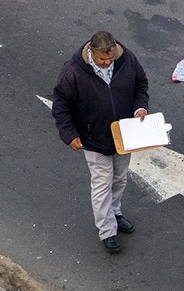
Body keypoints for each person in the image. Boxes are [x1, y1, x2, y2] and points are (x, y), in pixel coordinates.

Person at [52, 31, 149, 253]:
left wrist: (140, 108)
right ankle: (107, 230)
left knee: (120, 179)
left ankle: (115, 212)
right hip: (93, 138)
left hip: (125, 135)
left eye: (110, 58)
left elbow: (141, 84)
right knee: (102, 184)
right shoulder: (73, 71)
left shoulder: (127, 60)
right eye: (102, 59)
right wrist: (69, 134)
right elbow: (61, 105)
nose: (107, 63)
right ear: (91, 51)